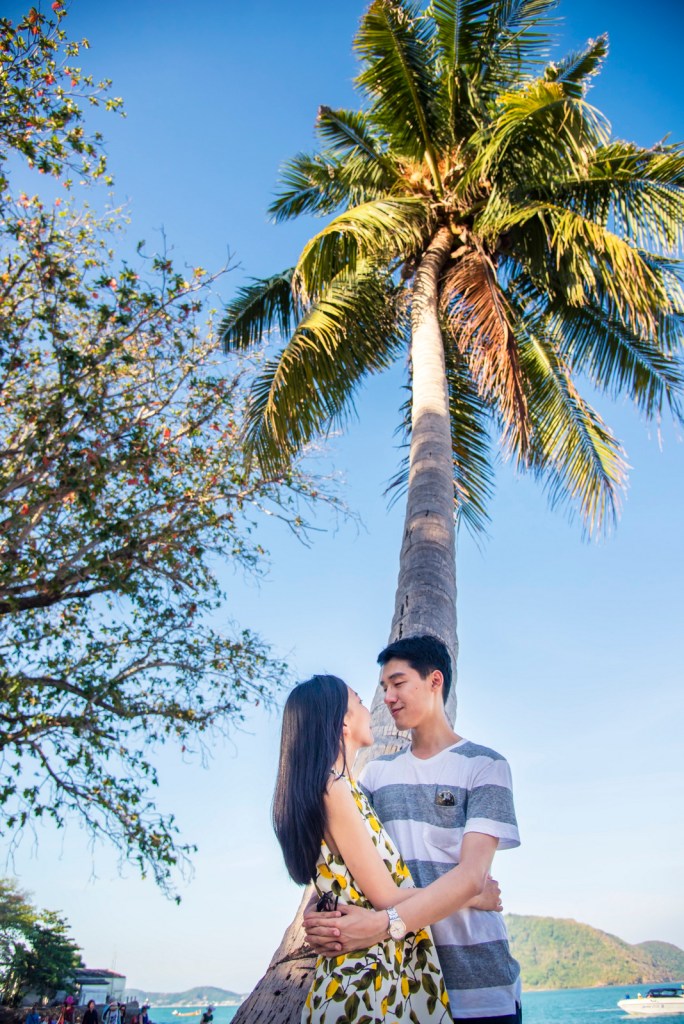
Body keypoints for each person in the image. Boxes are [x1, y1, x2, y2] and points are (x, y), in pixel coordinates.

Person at [304, 635, 522, 1023]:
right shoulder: (374, 777)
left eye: (398, 683)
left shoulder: (485, 766)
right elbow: (345, 860)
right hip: (406, 989)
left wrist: (378, 927)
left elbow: (473, 877)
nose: (387, 697)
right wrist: (317, 913)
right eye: (384, 687)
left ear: (435, 681)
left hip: (478, 985)